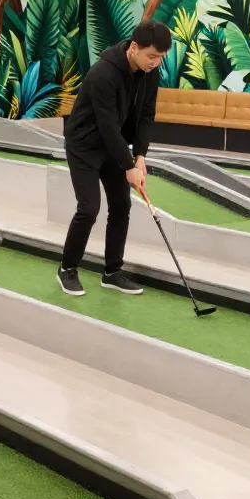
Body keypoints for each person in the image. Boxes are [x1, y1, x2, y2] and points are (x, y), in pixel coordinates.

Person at [57, 20, 172, 297]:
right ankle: (67, 268)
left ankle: (112, 272)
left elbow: (146, 115)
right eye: (152, 56)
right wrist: (128, 166)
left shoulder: (150, 72)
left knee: (121, 205)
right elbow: (107, 125)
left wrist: (140, 155)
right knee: (89, 209)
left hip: (114, 144)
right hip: (84, 145)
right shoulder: (103, 73)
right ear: (134, 47)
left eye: (160, 58)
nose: (156, 63)